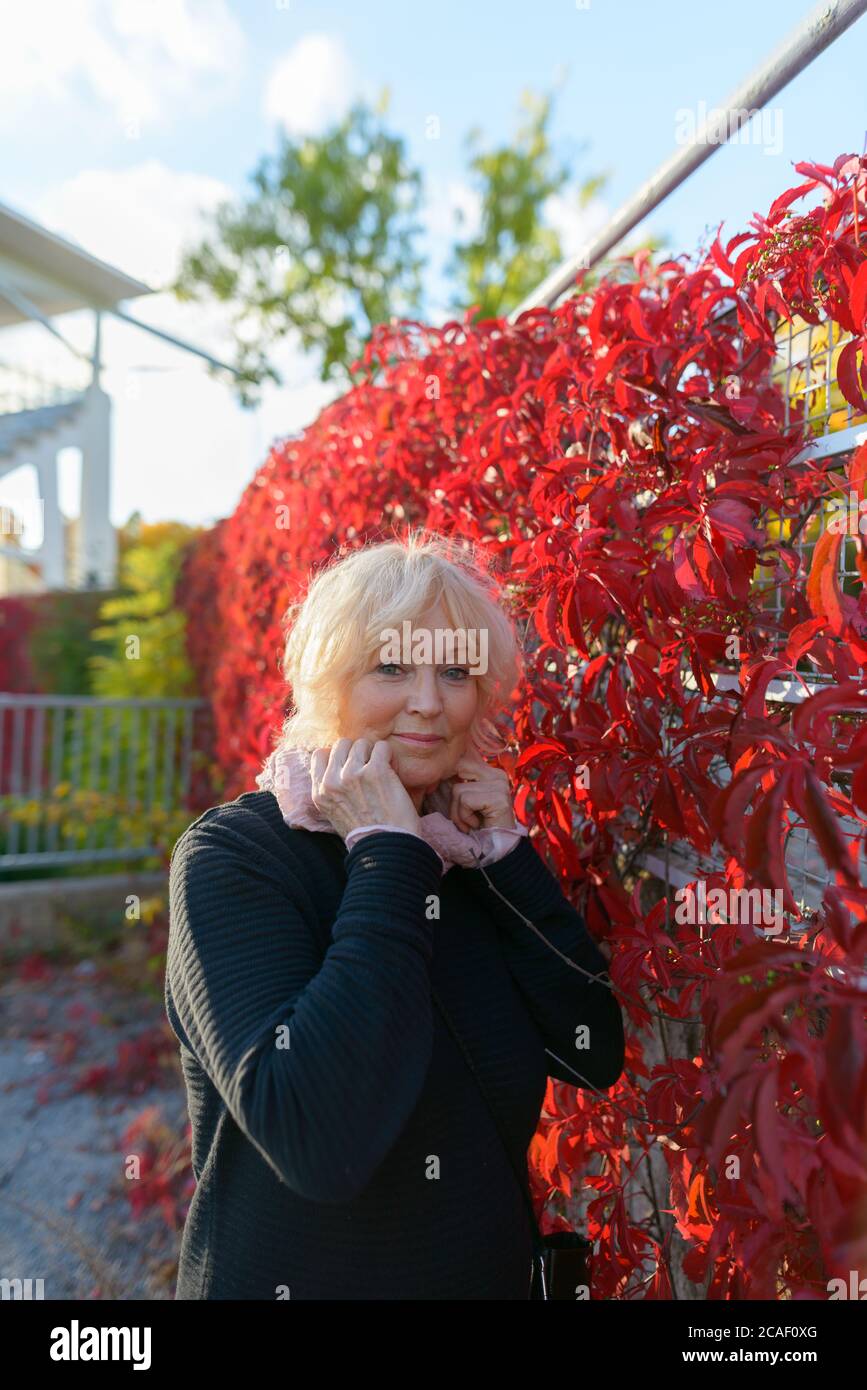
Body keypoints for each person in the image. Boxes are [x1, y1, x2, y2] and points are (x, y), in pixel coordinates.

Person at [165, 530, 625, 1299]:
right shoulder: (238, 858)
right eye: (391, 667)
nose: (428, 702)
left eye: (454, 671)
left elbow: (592, 1053)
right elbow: (317, 1140)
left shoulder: (465, 855)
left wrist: (510, 861)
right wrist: (385, 854)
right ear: (327, 683)